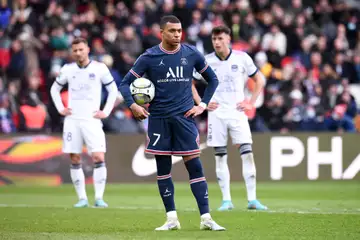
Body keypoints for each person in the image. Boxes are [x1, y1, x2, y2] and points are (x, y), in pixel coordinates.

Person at [119, 15, 225, 231]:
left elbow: (213, 79)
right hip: (158, 120)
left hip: (184, 119)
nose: (177, 34)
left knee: (194, 166)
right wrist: (133, 105)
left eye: (179, 31)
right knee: (163, 169)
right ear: (162, 33)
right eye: (172, 31)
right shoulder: (149, 57)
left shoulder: (191, 53)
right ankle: (171, 219)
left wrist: (203, 105)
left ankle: (206, 217)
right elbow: (124, 84)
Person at [193, 25, 267, 211]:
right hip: (216, 113)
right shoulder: (206, 61)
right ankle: (226, 200)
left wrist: (251, 102)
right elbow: (189, 82)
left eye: (220, 39)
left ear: (228, 40)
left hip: (237, 112)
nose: (217, 42)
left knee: (247, 153)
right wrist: (201, 102)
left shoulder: (242, 58)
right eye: (214, 39)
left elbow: (259, 79)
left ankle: (252, 199)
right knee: (220, 157)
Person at [50, 38, 118, 208]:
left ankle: (99, 198)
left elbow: (113, 90)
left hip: (92, 120)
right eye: (75, 50)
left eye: (81, 49)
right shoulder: (68, 69)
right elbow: (54, 89)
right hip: (72, 120)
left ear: (87, 49)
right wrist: (60, 108)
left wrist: (106, 111)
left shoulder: (99, 68)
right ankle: (82, 199)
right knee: (75, 158)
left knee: (98, 156)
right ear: (72, 52)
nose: (78, 53)